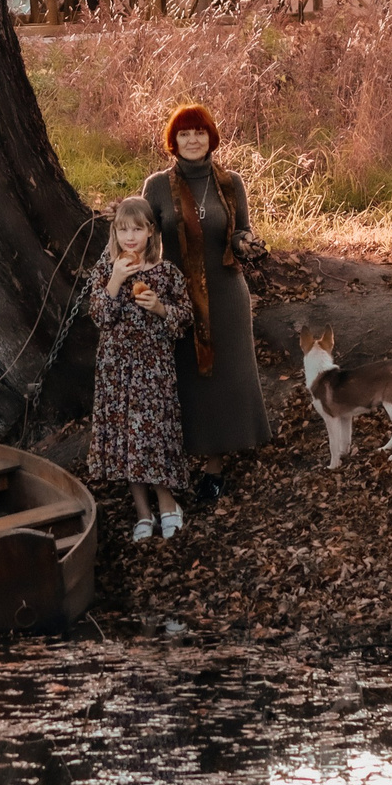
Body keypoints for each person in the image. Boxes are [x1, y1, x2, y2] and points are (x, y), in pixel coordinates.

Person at [143, 104, 273, 497]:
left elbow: (240, 232)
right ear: (174, 141)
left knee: (223, 380)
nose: (193, 140)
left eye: (200, 132)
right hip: (178, 299)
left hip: (226, 295)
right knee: (184, 381)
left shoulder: (230, 182)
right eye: (184, 134)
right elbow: (144, 240)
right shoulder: (157, 186)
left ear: (211, 136)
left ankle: (215, 469)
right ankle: (179, 462)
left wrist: (247, 244)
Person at [86, 194, 193, 542]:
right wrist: (115, 281)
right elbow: (100, 317)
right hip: (116, 369)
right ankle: (142, 512)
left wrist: (161, 309)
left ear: (151, 233)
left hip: (153, 368)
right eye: (122, 230)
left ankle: (167, 504)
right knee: (126, 441)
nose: (130, 237)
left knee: (153, 435)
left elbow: (185, 316)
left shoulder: (166, 273)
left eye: (137, 229)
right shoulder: (107, 269)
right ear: (114, 234)